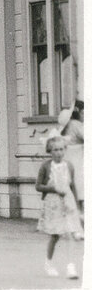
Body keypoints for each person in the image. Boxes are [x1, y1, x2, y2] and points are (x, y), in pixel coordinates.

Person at [36, 135, 82, 278]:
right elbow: (38, 186)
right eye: (55, 150)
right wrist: (54, 189)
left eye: (61, 149)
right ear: (50, 150)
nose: (59, 153)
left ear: (65, 150)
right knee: (55, 236)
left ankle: (71, 267)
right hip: (53, 204)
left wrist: (77, 205)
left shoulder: (69, 165)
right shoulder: (45, 166)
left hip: (68, 203)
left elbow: (72, 185)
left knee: (70, 234)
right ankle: (48, 263)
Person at [59, 100, 84, 210]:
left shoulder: (65, 126)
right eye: (83, 113)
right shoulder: (76, 125)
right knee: (79, 180)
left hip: (68, 157)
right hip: (77, 156)